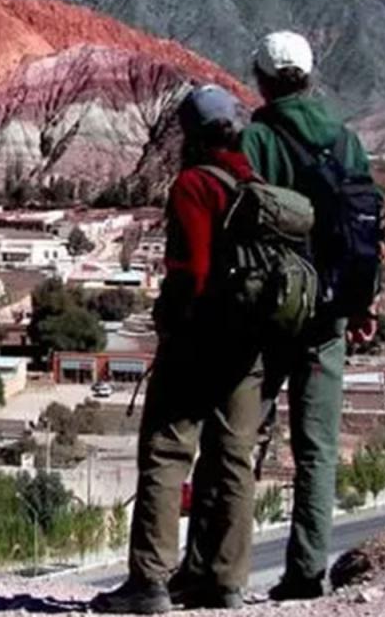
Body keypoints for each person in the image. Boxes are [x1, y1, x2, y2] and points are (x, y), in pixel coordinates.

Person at [91, 85, 264, 614]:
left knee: (167, 452)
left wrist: (171, 319)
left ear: (189, 133)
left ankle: (150, 583)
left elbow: (191, 269)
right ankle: (225, 582)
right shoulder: (257, 182)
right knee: (234, 458)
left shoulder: (194, 184)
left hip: (199, 339)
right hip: (250, 342)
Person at [241, 31, 381, 600]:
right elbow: (364, 226)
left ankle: (219, 570)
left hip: (266, 315)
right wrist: (364, 300)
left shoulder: (256, 140)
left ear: (264, 79)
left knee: (239, 440)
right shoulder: (347, 141)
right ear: (310, 74)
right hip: (330, 319)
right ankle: (304, 575)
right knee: (317, 449)